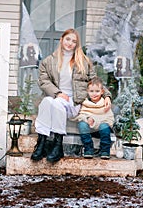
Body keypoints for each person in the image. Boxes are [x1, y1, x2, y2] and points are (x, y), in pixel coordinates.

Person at [31, 28, 112, 163]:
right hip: (56, 97)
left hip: (74, 102)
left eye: (74, 41)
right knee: (46, 102)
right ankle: (42, 142)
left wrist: (107, 96)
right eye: (68, 39)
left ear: (76, 45)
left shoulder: (84, 62)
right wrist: (58, 93)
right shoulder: (48, 61)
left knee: (54, 103)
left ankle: (58, 144)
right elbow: (44, 81)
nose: (70, 43)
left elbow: (95, 81)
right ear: (62, 40)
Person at [70, 76, 114, 159]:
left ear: (102, 92)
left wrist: (96, 121)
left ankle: (105, 150)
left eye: (97, 91)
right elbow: (81, 115)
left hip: (101, 129)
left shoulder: (104, 104)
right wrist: (87, 118)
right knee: (82, 124)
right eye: (91, 91)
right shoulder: (85, 103)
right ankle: (88, 148)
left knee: (105, 126)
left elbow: (109, 118)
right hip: (88, 129)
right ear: (87, 92)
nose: (94, 94)